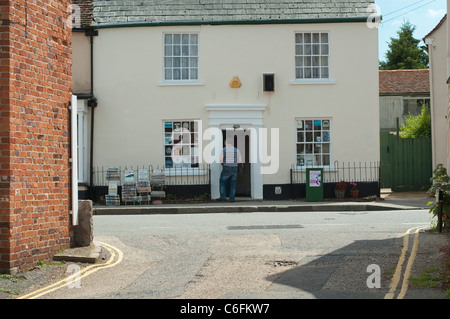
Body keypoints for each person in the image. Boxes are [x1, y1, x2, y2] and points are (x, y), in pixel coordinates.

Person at [218, 138, 242, 202]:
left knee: (222, 181)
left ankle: (223, 197)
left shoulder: (224, 149)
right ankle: (232, 198)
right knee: (233, 183)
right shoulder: (237, 150)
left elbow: (221, 159)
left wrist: (223, 164)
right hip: (234, 168)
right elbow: (240, 161)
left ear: (226, 143)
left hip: (227, 167)